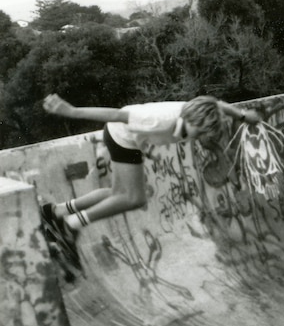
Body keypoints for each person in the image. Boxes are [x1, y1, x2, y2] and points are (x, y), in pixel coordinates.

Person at [40, 94, 261, 253]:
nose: (200, 137)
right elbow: (117, 115)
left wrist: (242, 116)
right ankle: (70, 225)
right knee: (133, 198)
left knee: (117, 194)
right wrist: (72, 112)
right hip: (121, 137)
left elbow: (218, 104)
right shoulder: (160, 118)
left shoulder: (202, 111)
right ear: (193, 121)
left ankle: (56, 211)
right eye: (200, 132)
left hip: (131, 140)